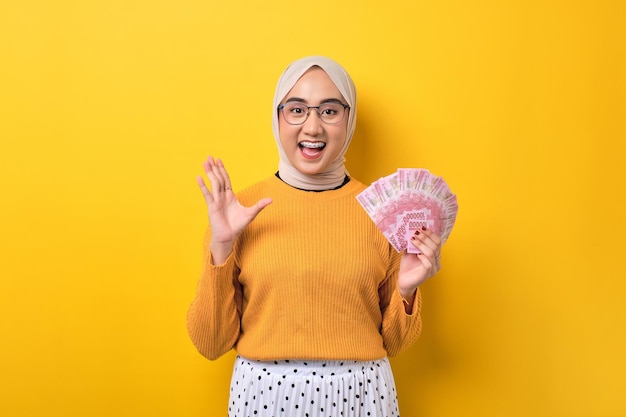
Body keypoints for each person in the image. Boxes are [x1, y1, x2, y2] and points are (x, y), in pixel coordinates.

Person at [187, 56, 443, 417]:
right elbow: (211, 344)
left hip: (363, 397)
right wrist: (222, 245)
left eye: (329, 111)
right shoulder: (237, 210)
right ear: (277, 118)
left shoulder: (382, 211)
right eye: (296, 110)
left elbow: (395, 344)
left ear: (348, 119)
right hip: (264, 397)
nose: (312, 127)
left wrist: (405, 290)